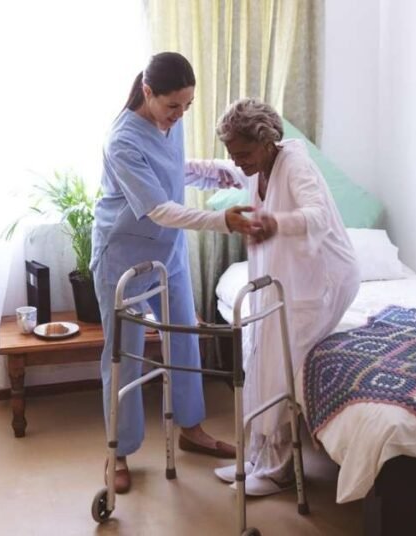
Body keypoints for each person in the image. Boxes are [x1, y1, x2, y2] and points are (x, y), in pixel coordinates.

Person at [91, 52, 259, 495]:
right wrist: (222, 221)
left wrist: (212, 173)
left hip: (170, 253)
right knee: (123, 356)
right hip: (123, 255)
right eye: (173, 106)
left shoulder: (172, 119)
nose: (181, 114)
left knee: (184, 336)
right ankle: (118, 452)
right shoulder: (121, 141)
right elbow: (159, 208)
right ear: (148, 93)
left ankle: (191, 428)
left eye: (188, 105)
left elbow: (171, 169)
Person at [192, 98, 360, 496]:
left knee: (278, 365)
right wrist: (173, 167)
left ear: (267, 142)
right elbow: (222, 172)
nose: (239, 161)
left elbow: (317, 215)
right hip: (287, 277)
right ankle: (259, 457)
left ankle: (281, 470)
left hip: (323, 280)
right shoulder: (255, 166)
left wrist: (275, 222)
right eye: (233, 153)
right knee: (259, 353)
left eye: (244, 153)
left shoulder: (295, 163)